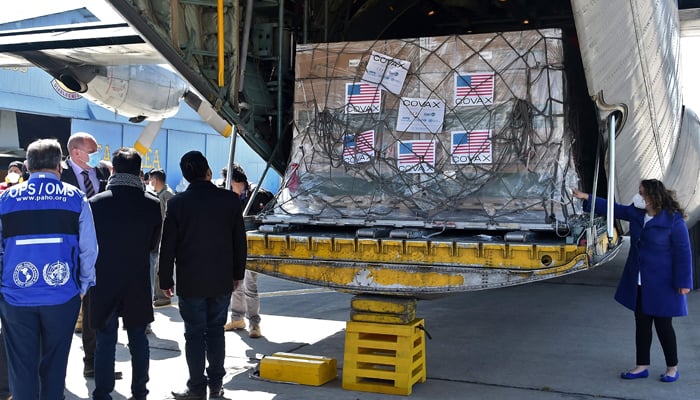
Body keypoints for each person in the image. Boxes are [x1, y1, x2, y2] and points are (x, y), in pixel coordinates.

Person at [0, 138, 97, 399]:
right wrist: (84, 286)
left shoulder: (5, 199)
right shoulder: (76, 198)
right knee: (55, 368)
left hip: (15, 297)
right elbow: (89, 249)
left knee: (21, 368)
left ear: (28, 167)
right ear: (59, 166)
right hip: (62, 296)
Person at [572, 179, 692, 383]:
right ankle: (642, 365)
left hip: (663, 283)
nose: (638, 196)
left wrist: (684, 282)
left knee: (664, 326)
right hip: (639, 280)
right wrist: (588, 198)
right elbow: (614, 209)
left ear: (652, 196)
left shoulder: (673, 220)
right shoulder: (637, 213)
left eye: (641, 193)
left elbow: (683, 252)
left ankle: (672, 367)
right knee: (642, 324)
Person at [158, 151, 247, 400]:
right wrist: (238, 273)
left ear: (186, 177)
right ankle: (216, 387)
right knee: (216, 331)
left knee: (194, 334)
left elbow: (168, 246)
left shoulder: (177, 204)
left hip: (190, 282)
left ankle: (196, 387)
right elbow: (240, 242)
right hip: (221, 279)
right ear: (208, 172)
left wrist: (165, 280)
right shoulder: (230, 201)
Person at [89, 147, 162, 400]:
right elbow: (153, 244)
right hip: (137, 280)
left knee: (105, 341)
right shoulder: (152, 204)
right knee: (138, 340)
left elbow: (89, 245)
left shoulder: (96, 203)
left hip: (105, 280)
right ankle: (140, 391)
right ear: (139, 171)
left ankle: (102, 393)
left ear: (114, 170)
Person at [60, 131, 118, 379]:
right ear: (76, 153)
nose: (97, 157)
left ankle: (93, 362)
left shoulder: (104, 173)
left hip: (99, 252)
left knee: (96, 311)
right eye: (92, 152)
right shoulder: (60, 173)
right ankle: (53, 371)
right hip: (68, 252)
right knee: (62, 314)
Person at [224, 163, 274, 338]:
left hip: (252, 247)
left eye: (228, 183)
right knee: (235, 284)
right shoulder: (230, 197)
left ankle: (254, 323)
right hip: (234, 247)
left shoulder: (259, 195)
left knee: (250, 286)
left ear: (235, 181)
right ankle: (237, 318)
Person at [148, 168, 175, 308]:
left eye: (151, 179)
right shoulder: (160, 194)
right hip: (159, 235)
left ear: (155, 179)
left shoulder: (167, 195)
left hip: (164, 235)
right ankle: (158, 296)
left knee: (160, 266)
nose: (149, 182)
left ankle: (163, 297)